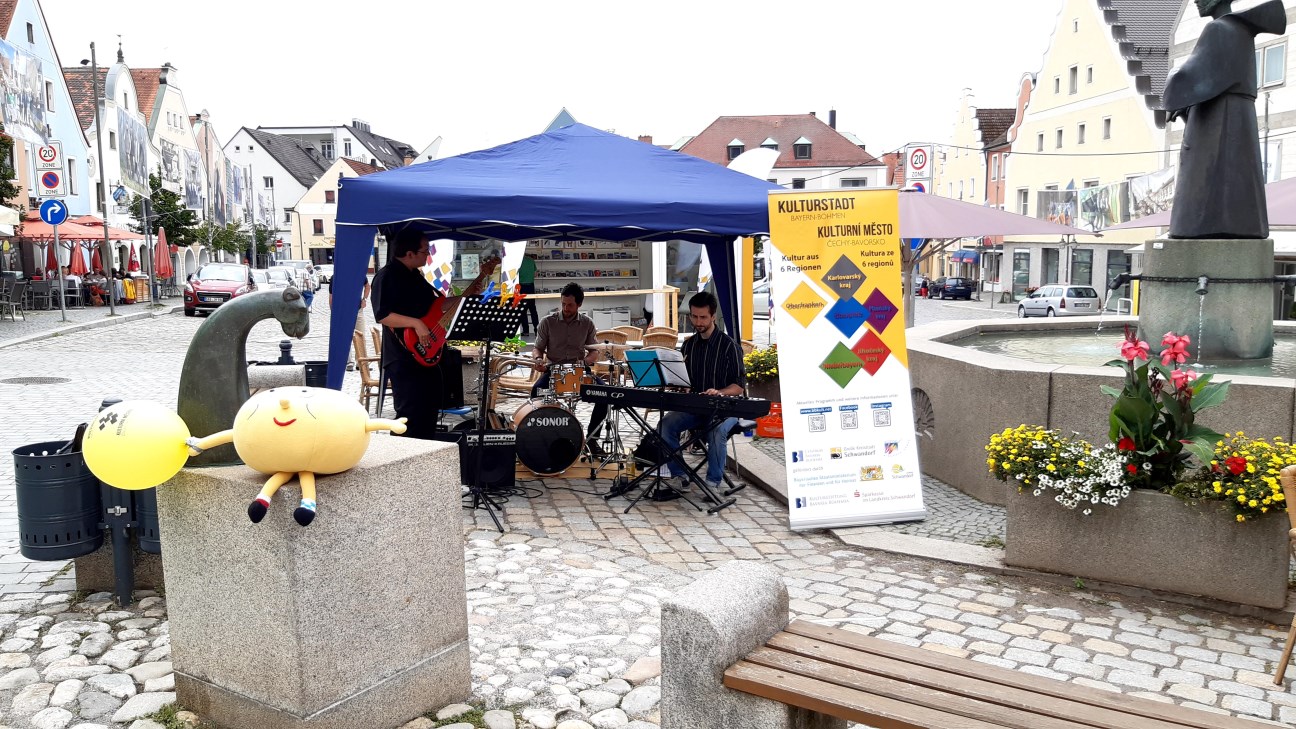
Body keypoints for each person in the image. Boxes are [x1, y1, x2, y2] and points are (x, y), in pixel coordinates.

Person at [1162, 0, 1285, 239]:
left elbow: (1189, 74)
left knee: (1205, 178)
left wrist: (1174, 92)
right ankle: (1240, 225)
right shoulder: (1241, 30)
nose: (1197, 1)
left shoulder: (1218, 29)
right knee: (1237, 178)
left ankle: (1200, 226)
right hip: (1238, 116)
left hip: (1216, 117)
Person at [373, 228, 496, 440]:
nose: (428, 255)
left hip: (427, 354)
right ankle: (404, 460)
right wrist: (416, 324)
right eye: (424, 251)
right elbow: (382, 315)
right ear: (409, 253)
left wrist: (468, 293)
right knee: (409, 414)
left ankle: (426, 455)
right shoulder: (387, 276)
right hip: (403, 356)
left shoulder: (415, 276)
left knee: (429, 410)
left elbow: (436, 305)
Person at [658, 290, 746, 493]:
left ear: (713, 316)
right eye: (694, 317)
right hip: (696, 407)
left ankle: (713, 483)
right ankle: (680, 475)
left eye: (703, 317)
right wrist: (679, 384)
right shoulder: (688, 345)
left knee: (717, 431)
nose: (698, 322)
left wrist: (720, 392)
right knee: (665, 426)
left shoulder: (729, 346)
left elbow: (739, 386)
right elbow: (684, 380)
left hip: (725, 408)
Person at [531, 282, 610, 457]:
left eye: (570, 305)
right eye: (563, 304)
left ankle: (592, 440)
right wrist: (537, 359)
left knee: (604, 394)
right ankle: (543, 438)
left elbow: (594, 351)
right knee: (536, 392)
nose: (566, 308)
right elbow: (538, 348)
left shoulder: (587, 323)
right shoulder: (547, 322)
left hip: (579, 370)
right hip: (554, 369)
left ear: (579, 305)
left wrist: (585, 362)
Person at [329, 273, 372, 370]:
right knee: (346, 337)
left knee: (361, 335)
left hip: (357, 309)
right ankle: (349, 362)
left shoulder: (358, 272)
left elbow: (367, 286)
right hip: (343, 311)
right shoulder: (336, 276)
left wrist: (364, 299)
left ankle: (361, 362)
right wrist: (334, 313)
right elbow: (331, 295)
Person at [518, 253, 538, 337]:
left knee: (523, 310)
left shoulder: (517, 262)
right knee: (533, 309)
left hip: (521, 286)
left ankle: (526, 331)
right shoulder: (531, 261)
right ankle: (537, 330)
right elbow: (535, 274)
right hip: (531, 286)